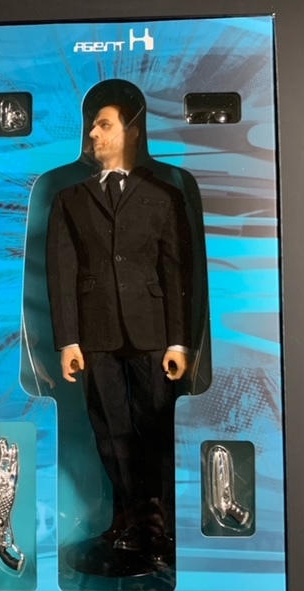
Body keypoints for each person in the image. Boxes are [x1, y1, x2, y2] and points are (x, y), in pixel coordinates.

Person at [46, 99, 193, 558]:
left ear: (131, 131)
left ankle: (160, 526)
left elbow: (176, 271)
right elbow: (61, 274)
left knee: (156, 428)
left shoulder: (163, 195)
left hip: (153, 335)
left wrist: (179, 342)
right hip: (96, 334)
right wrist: (68, 340)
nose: (93, 134)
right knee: (109, 431)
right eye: (92, 127)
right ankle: (128, 519)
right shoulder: (70, 198)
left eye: (104, 125)